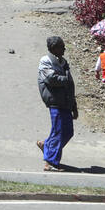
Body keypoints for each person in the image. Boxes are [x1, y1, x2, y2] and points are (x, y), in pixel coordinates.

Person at [36, 36, 77, 170]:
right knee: (58, 131)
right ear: (53, 48)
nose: (64, 49)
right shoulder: (46, 61)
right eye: (61, 46)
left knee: (68, 132)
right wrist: (65, 79)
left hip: (66, 102)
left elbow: (70, 85)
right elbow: (51, 79)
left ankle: (47, 146)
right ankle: (50, 162)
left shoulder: (63, 62)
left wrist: (74, 106)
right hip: (55, 101)